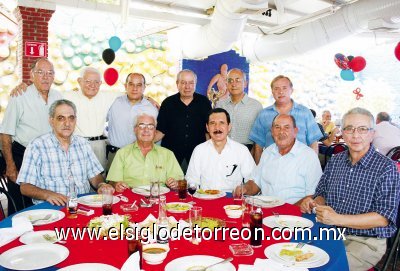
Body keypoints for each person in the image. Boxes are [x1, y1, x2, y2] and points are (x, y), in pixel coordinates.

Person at [300, 107, 400, 271]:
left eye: (362, 129)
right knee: (290, 254)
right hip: (330, 232)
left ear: (372, 133)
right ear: (342, 133)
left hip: (365, 241)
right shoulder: (336, 160)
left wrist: (337, 219)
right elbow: (322, 194)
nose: (355, 135)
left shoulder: (386, 167)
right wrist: (313, 203)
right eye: (349, 129)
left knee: (319, 267)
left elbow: (383, 218)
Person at [16, 100, 113, 205]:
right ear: (51, 121)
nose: (67, 123)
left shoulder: (83, 144)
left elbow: (95, 176)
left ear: (75, 120)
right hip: (51, 208)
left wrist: (101, 185)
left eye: (71, 118)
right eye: (61, 118)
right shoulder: (37, 146)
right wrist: (48, 194)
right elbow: (25, 187)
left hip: (82, 205)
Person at [0, 58, 62, 212]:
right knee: (21, 207)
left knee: (46, 204)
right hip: (23, 156)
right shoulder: (19, 96)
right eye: (40, 72)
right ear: (32, 75)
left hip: (50, 158)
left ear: (54, 76)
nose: (45, 77)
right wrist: (10, 165)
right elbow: (6, 133)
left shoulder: (59, 97)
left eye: (50, 73)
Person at [234, 114, 322, 205]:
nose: (281, 132)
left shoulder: (308, 156)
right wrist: (245, 188)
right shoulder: (267, 152)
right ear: (272, 131)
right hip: (264, 208)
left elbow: (314, 194)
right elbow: (256, 183)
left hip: (293, 213)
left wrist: (288, 210)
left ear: (295, 131)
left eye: (286, 127)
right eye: (277, 127)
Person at [249, 75, 322, 164]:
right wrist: (259, 169)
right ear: (272, 92)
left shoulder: (305, 112)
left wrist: (312, 165)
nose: (280, 92)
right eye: (276, 88)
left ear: (291, 90)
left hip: (300, 166)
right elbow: (258, 146)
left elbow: (313, 143)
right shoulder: (263, 114)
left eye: (284, 88)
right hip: (272, 166)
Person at [107, 113, 183, 190]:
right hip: (130, 198)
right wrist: (116, 184)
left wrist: (175, 183)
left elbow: (180, 182)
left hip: (159, 197)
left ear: (155, 131)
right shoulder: (122, 153)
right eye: (141, 126)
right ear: (135, 130)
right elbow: (112, 182)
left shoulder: (168, 154)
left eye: (150, 126)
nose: (146, 130)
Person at [155, 69, 211, 173]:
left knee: (195, 186)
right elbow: (161, 130)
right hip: (171, 155)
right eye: (183, 82)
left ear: (195, 84)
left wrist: (211, 153)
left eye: (191, 83)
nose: (187, 86)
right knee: (170, 185)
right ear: (177, 83)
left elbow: (208, 132)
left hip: (197, 155)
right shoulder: (168, 103)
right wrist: (144, 142)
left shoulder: (204, 103)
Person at [185, 108, 255, 192]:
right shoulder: (199, 150)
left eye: (221, 123)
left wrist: (244, 189)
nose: (217, 127)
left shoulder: (241, 150)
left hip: (231, 201)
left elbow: (253, 179)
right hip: (206, 199)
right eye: (212, 123)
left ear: (229, 127)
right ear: (207, 127)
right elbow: (191, 180)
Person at [63, 67, 119, 169]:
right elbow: (47, 93)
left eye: (96, 82)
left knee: (99, 179)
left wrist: (149, 98)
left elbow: (132, 94)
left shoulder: (107, 96)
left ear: (100, 83)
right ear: (80, 81)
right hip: (76, 144)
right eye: (88, 81)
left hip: (99, 146)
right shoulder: (68, 96)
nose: (92, 85)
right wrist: (24, 86)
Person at [106, 73, 158, 169]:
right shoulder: (113, 102)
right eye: (131, 84)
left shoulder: (152, 108)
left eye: (139, 85)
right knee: (112, 183)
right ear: (125, 86)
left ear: (144, 87)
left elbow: (157, 133)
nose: (135, 88)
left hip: (141, 157)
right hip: (115, 155)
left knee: (139, 184)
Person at [215, 68, 263, 152]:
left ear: (245, 84)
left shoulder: (256, 106)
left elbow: (259, 137)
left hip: (247, 151)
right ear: (226, 84)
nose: (233, 84)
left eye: (238, 80)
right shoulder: (220, 105)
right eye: (230, 81)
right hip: (223, 150)